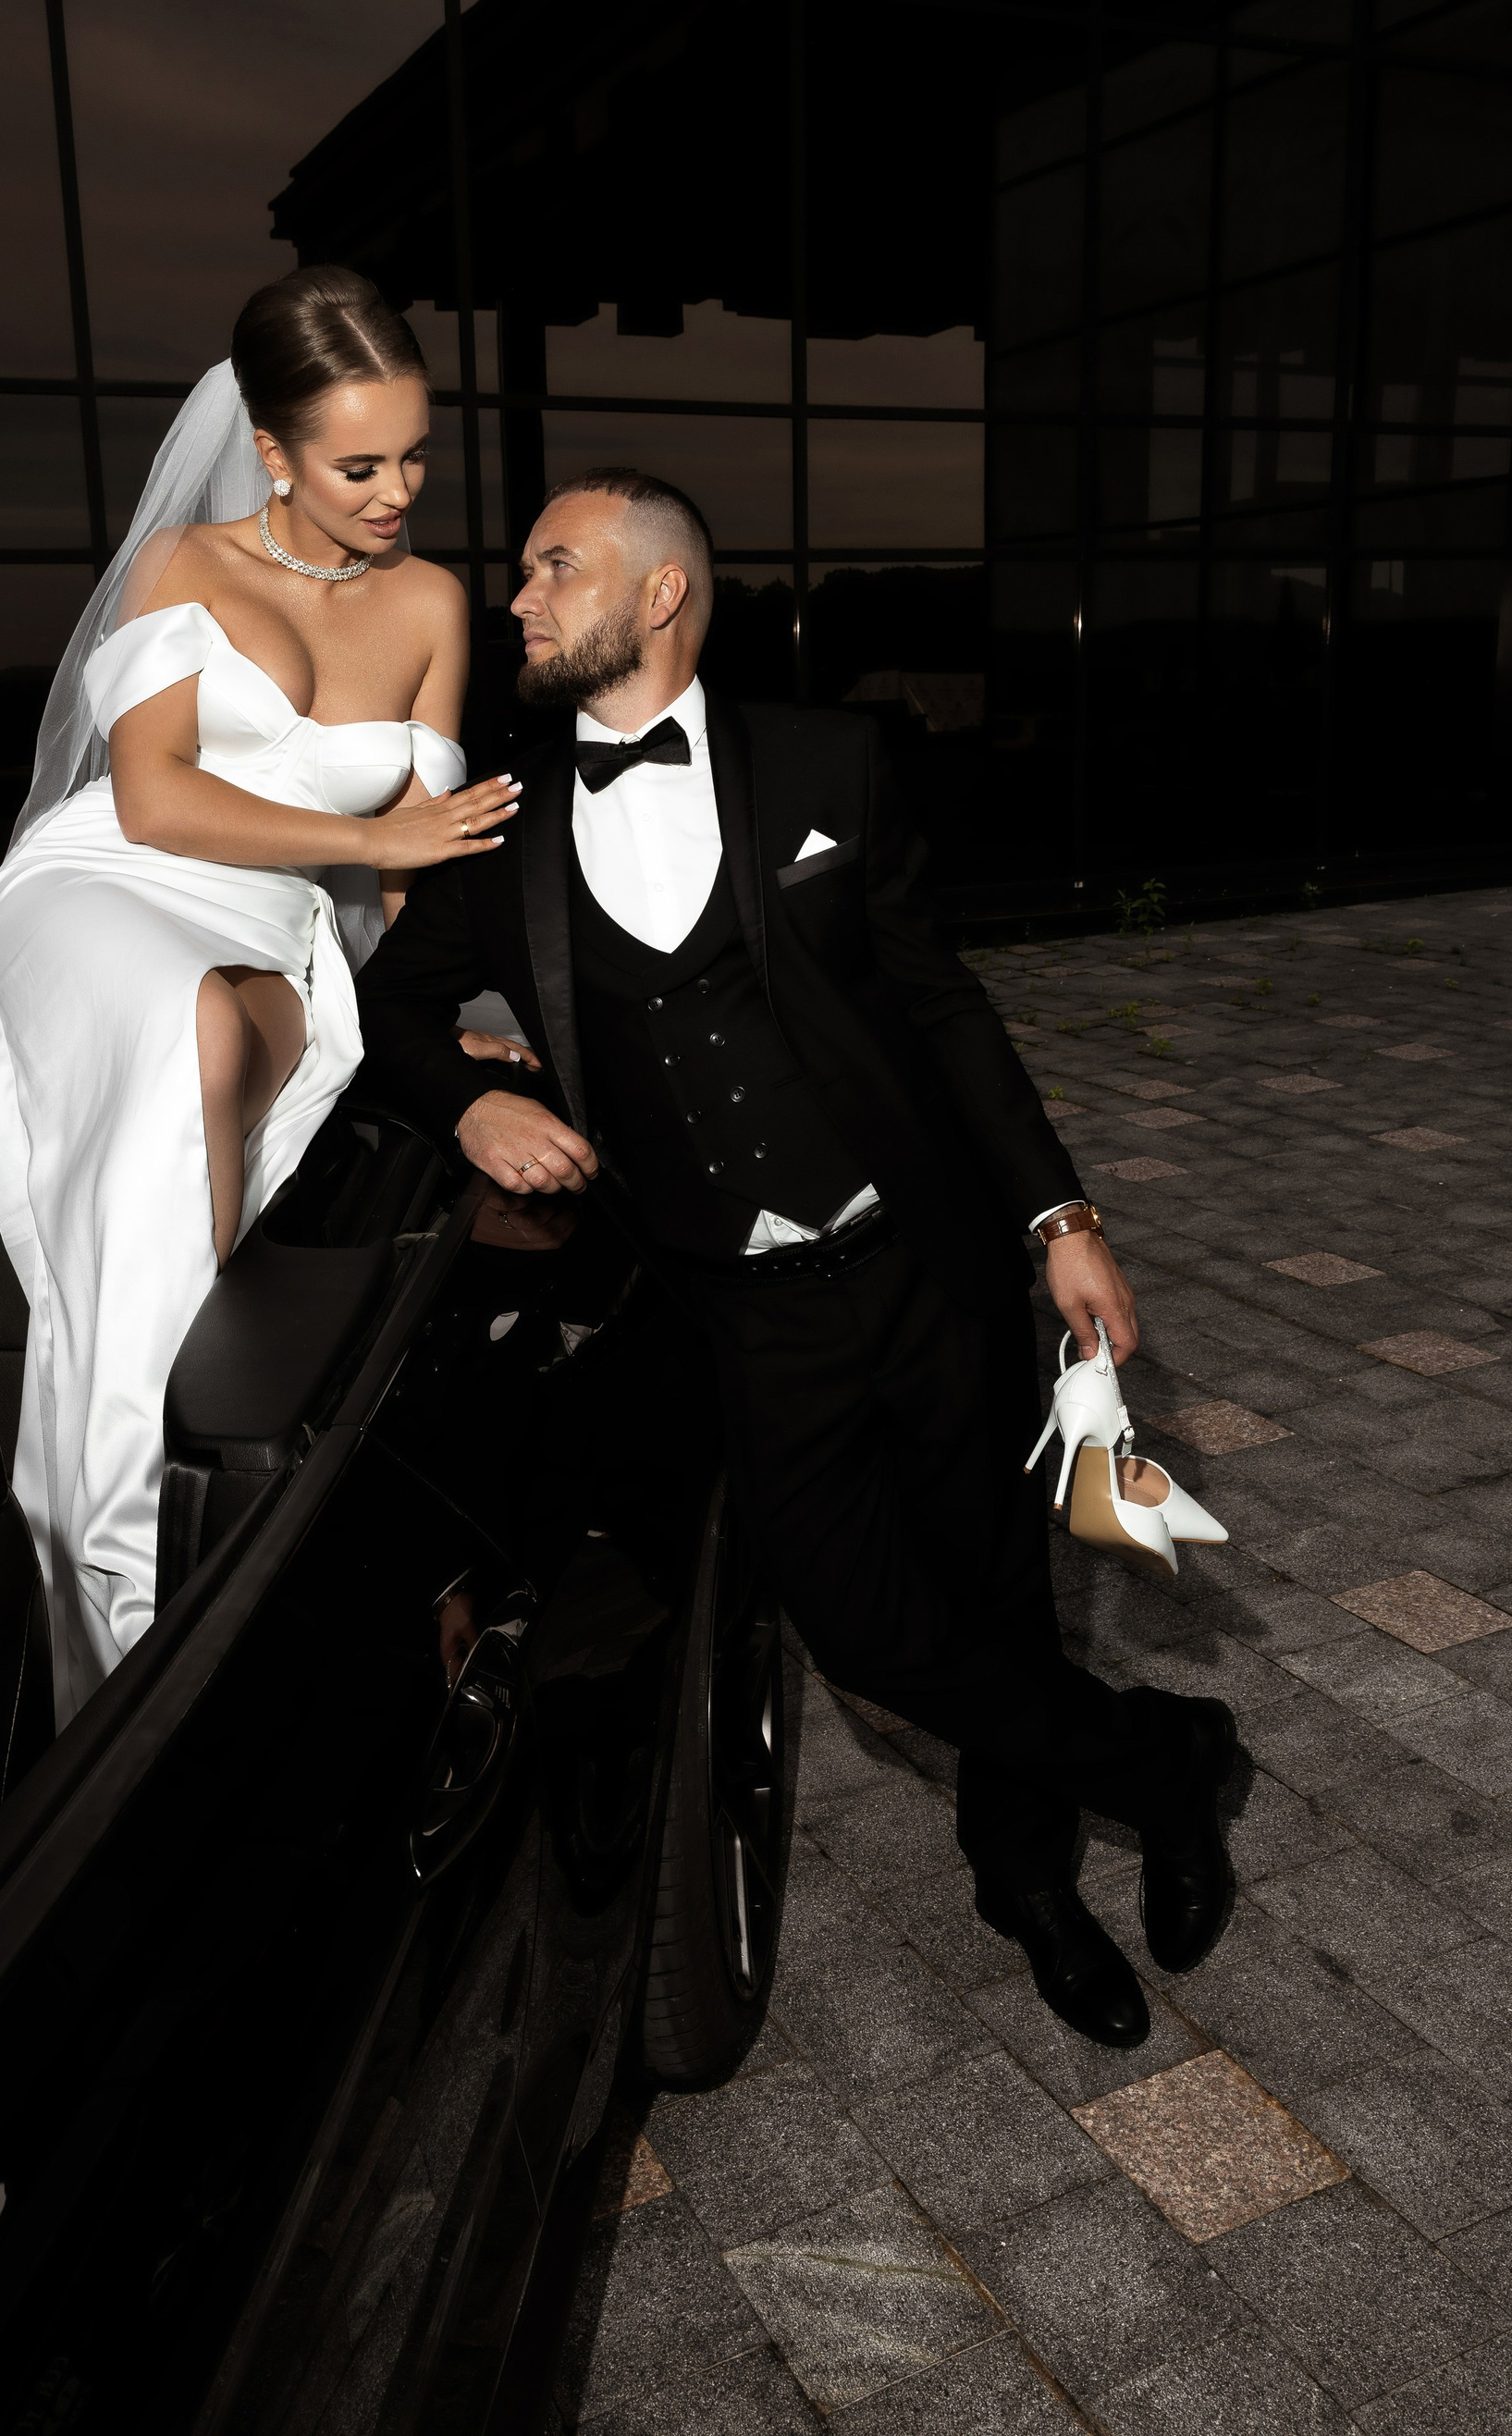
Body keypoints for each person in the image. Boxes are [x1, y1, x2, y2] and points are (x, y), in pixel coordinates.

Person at [353, 466, 1239, 2048]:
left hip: (923, 1264)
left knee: (994, 1596)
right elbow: (385, 1007)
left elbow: (944, 1008)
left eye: (556, 569)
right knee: (867, 1628)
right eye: (525, 573)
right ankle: (1169, 1763)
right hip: (740, 1309)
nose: (520, 598)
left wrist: (1063, 1221)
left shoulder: (833, 762)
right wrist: (470, 1103)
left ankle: (1027, 1883)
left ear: (661, 594)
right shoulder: (502, 821)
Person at [0, 266, 521, 1726]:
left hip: (277, 918)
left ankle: (129, 1544)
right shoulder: (181, 563)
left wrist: (435, 1020)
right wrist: (381, 843)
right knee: (194, 1032)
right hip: (107, 882)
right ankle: (119, 1566)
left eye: (416, 456)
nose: (397, 492)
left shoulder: (431, 602)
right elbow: (158, 800)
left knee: (224, 1041)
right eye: (360, 466)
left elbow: (415, 868)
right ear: (274, 451)